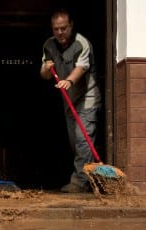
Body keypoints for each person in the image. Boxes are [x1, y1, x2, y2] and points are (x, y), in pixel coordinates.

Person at [40, 9, 102, 193]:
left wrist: (68, 80)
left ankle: (80, 183)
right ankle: (89, 178)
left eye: (63, 28)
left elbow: (82, 68)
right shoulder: (48, 45)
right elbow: (43, 75)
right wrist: (46, 68)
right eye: (56, 29)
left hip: (87, 97)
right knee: (76, 142)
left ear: (71, 26)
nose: (60, 32)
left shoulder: (81, 43)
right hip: (69, 99)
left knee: (83, 140)